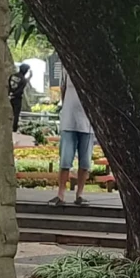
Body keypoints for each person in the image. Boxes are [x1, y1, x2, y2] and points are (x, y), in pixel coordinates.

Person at [54, 70, 96, 207]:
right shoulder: (66, 70)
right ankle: (60, 194)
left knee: (85, 162)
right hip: (69, 121)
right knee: (65, 161)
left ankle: (80, 194)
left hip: (87, 123)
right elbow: (63, 90)